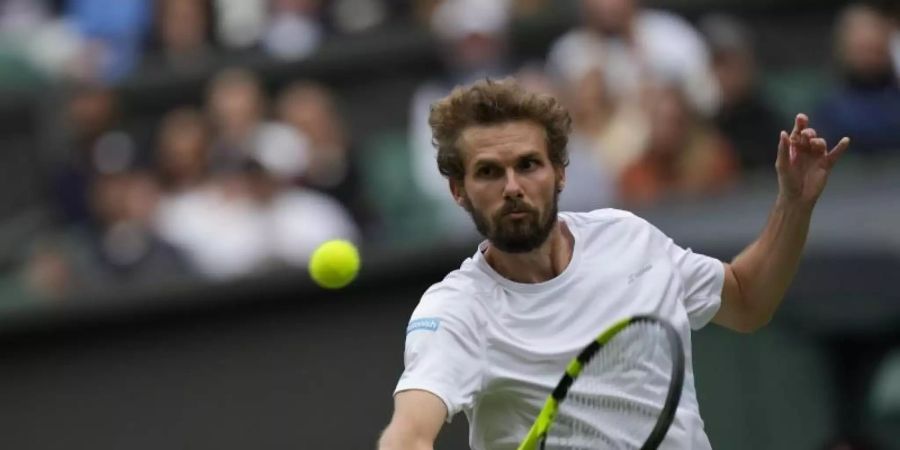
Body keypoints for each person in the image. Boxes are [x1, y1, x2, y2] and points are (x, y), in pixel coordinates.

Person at [377, 78, 850, 449]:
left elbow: (747, 302)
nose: (513, 186)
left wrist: (794, 204)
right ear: (458, 190)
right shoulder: (456, 310)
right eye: (488, 172)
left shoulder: (628, 238)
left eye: (528, 164)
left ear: (560, 172)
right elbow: (408, 434)